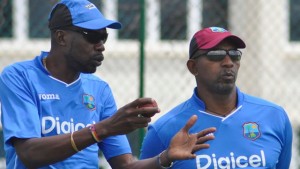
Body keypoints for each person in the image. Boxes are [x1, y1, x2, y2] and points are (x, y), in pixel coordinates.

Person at [0, 1, 217, 168]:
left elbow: (126, 165)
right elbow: (29, 154)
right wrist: (102, 129)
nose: (101, 46)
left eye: (104, 37)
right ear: (61, 37)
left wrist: (165, 158)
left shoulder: (99, 90)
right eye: (93, 36)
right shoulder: (19, 77)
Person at [140, 27, 293, 169]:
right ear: (193, 67)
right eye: (216, 55)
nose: (228, 63)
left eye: (234, 55)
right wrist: (165, 158)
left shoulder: (274, 117)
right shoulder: (164, 130)